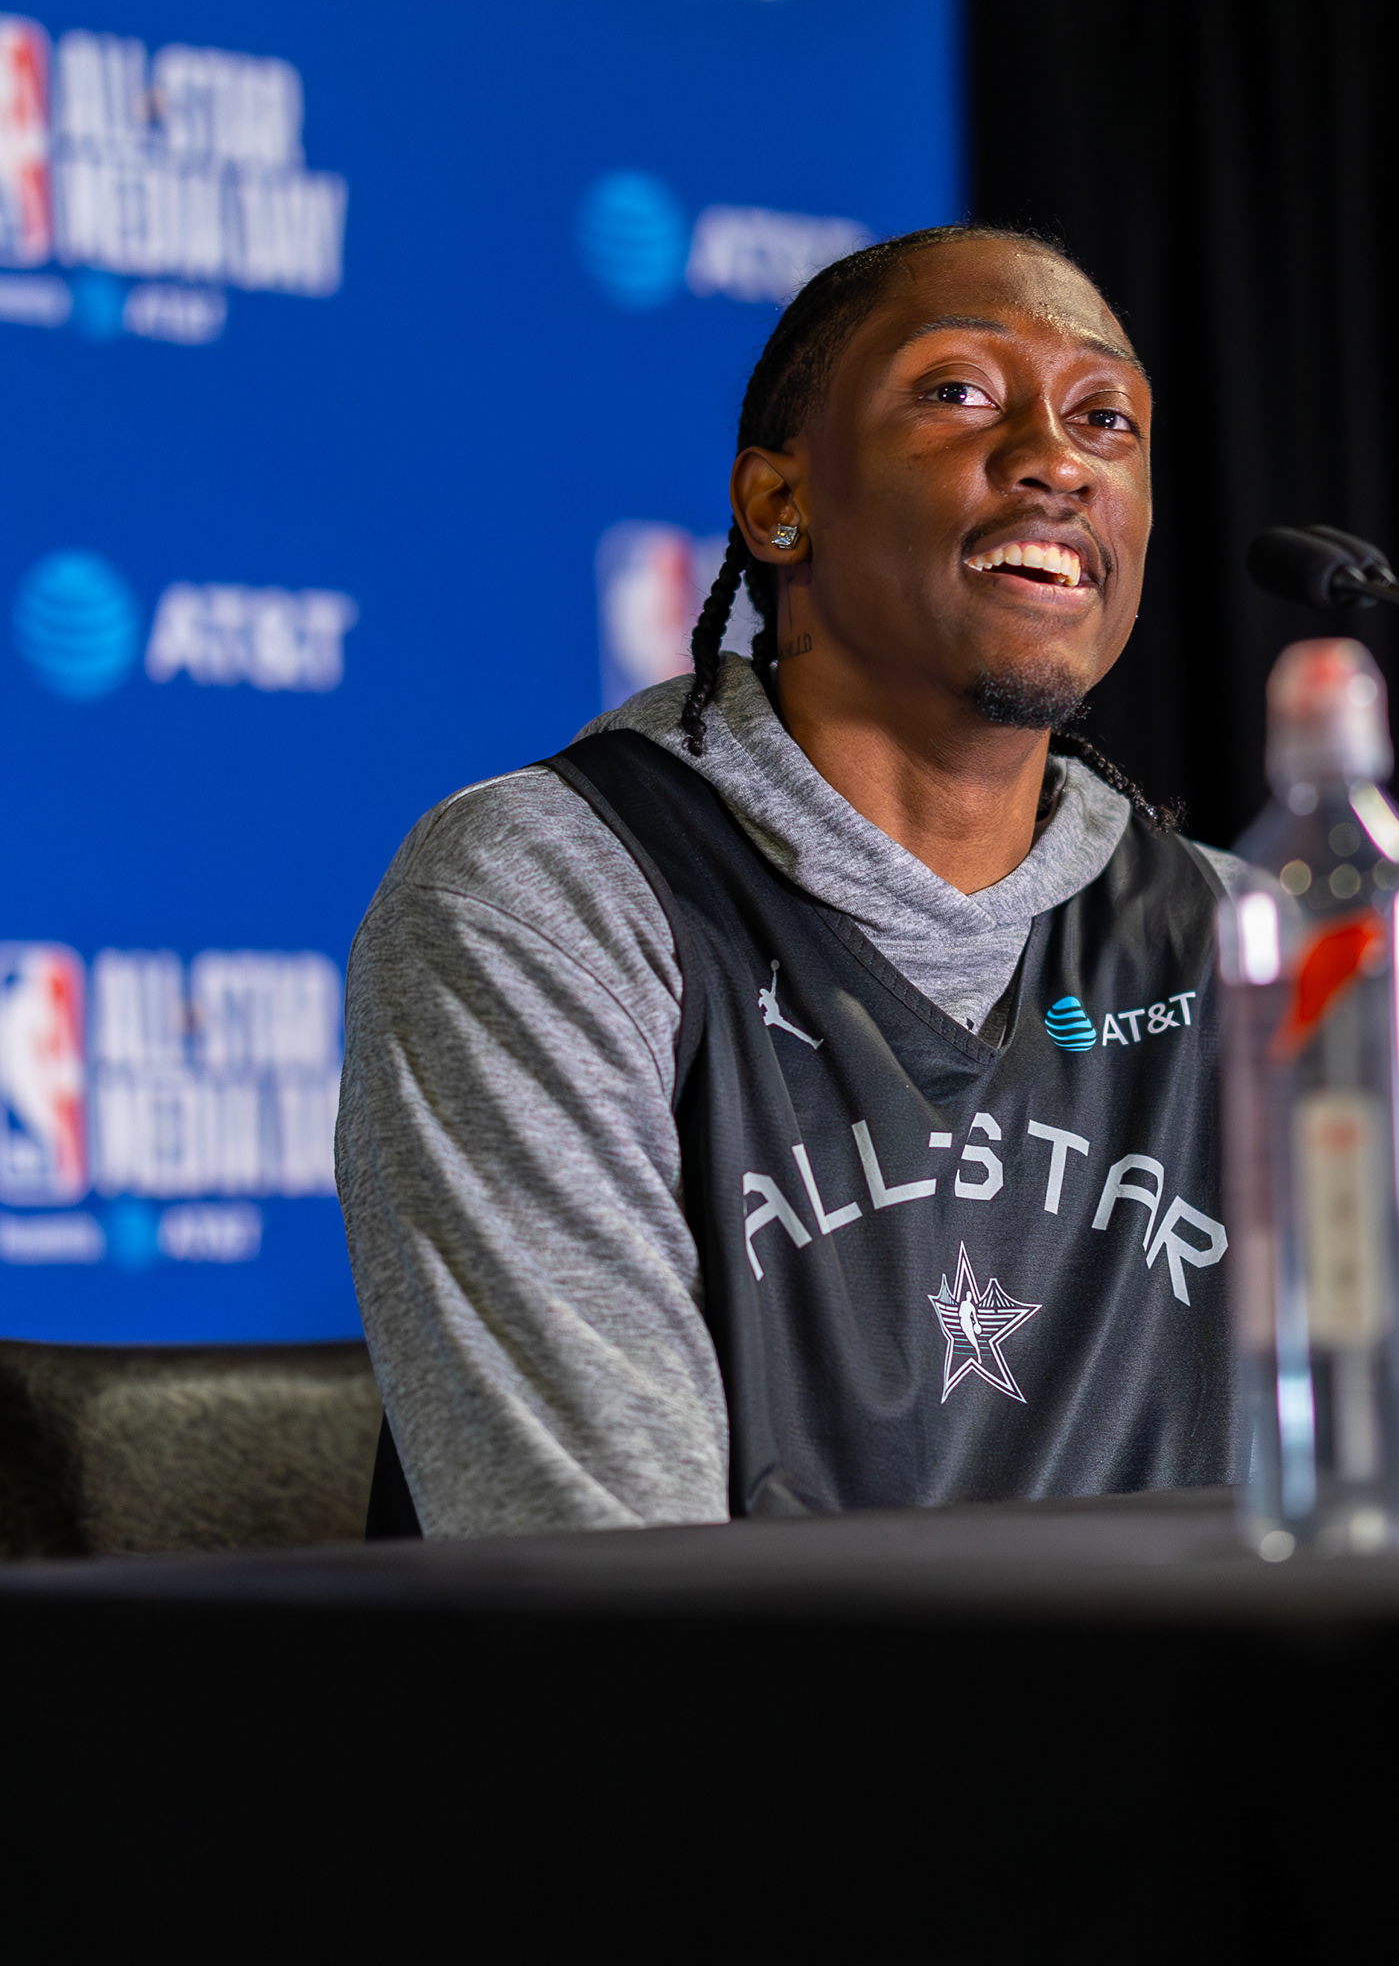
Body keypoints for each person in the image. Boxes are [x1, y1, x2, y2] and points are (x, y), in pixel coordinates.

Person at [337, 226, 1245, 1537]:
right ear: (779, 505)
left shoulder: (1249, 944)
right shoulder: (550, 895)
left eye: (1106, 419)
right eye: (959, 391)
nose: (1059, 458)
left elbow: (1360, 1506)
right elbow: (608, 1592)